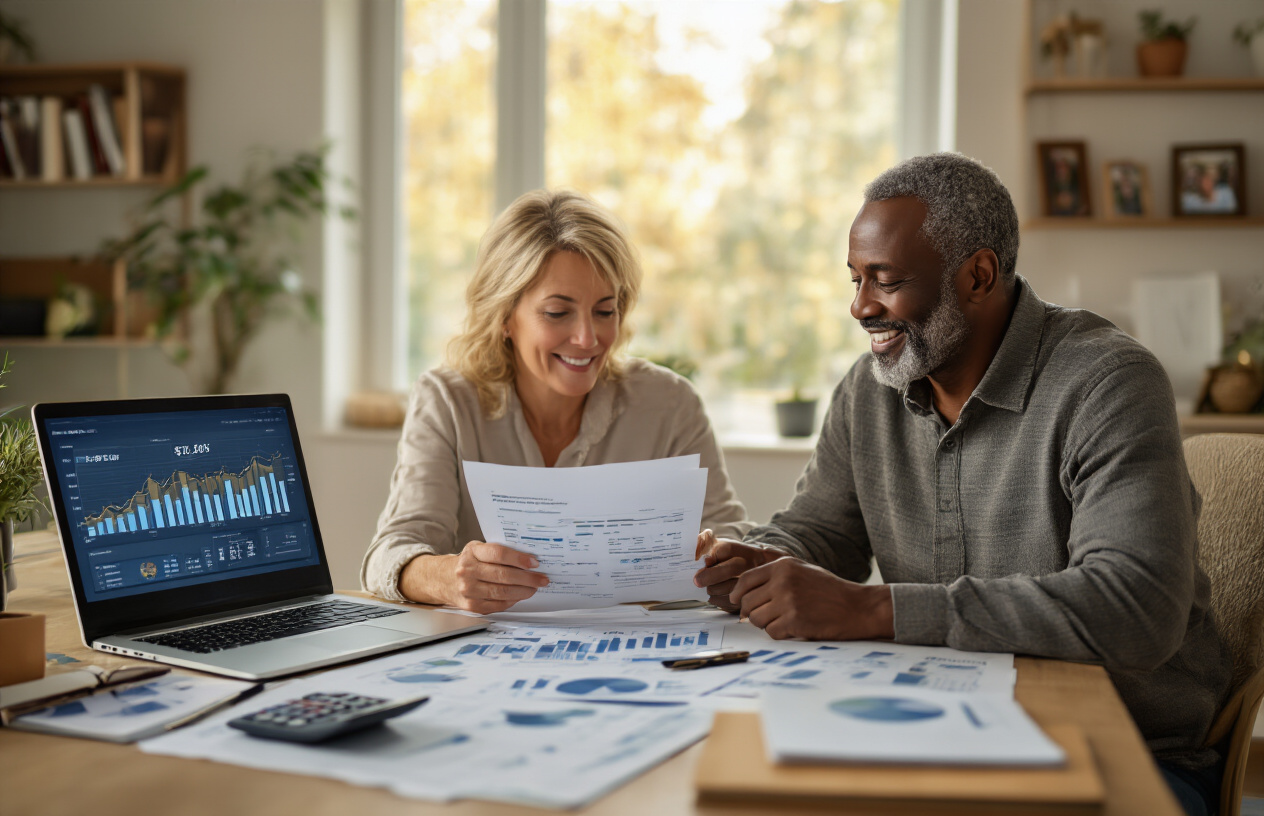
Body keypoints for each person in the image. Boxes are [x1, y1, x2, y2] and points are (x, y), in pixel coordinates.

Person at [693, 153, 1230, 816]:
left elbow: (1135, 609)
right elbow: (822, 532)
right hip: (933, 720)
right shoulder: (869, 390)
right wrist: (764, 558)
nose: (860, 306)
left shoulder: (1106, 383)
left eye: (884, 280)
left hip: (1124, 744)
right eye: (856, 278)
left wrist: (874, 609)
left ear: (977, 275)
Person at [363, 188, 751, 614]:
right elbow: (389, 557)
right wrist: (450, 578)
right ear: (505, 316)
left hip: (639, 650)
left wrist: (718, 557)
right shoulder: (448, 401)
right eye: (557, 312)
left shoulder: (670, 404)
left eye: (605, 311)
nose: (587, 339)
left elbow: (734, 535)